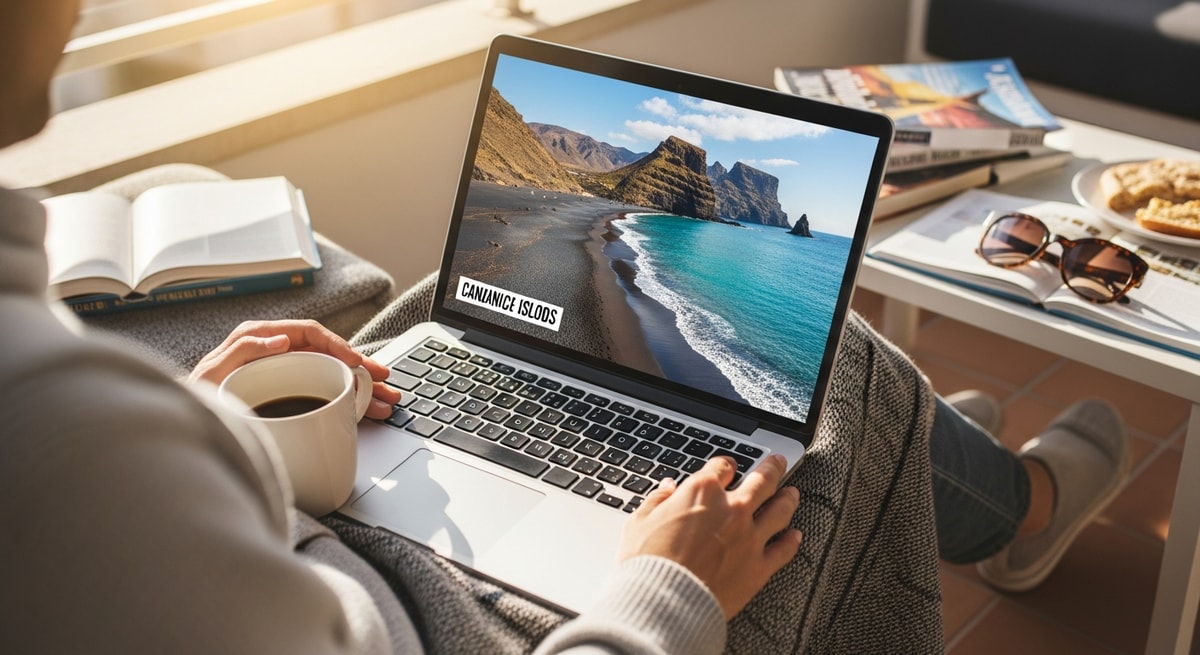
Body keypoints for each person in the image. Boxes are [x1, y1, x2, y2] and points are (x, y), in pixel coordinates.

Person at [0, 2, 1130, 652]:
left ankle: (964, 475)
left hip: (326, 540)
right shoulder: (60, 446)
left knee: (451, 323)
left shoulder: (73, 426)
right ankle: (1020, 508)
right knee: (853, 374)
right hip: (427, 607)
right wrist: (667, 591)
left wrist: (207, 430)